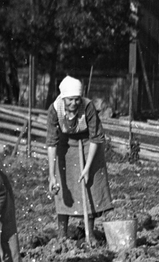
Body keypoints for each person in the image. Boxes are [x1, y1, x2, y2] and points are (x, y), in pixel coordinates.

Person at [46, 76, 113, 241]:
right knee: (63, 186)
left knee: (90, 186)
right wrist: (52, 175)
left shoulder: (88, 106)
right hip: (65, 145)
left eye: (76, 99)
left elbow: (96, 138)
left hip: (89, 144)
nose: (74, 103)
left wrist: (87, 168)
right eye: (70, 100)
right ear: (63, 98)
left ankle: (90, 233)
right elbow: (51, 143)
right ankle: (62, 234)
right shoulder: (54, 109)